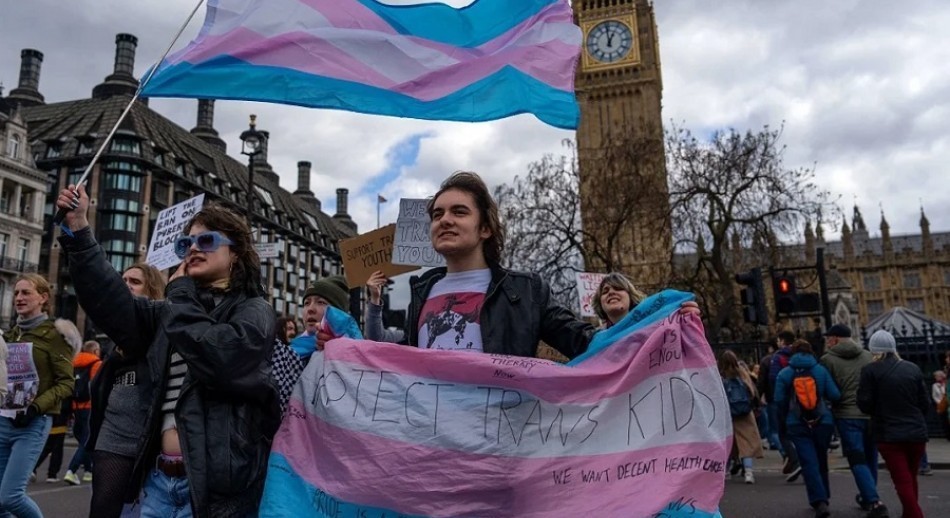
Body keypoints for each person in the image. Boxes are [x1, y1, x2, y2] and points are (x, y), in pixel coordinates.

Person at [56, 186, 281, 517]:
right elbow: (111, 301)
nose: (192, 249)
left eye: (206, 241)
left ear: (235, 253)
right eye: (185, 243)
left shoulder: (253, 309)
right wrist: (79, 230)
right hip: (160, 482)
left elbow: (220, 357)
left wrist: (178, 292)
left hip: (215, 490)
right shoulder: (171, 309)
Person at [86, 263, 165, 518]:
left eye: (135, 281)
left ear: (152, 292)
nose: (126, 286)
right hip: (112, 440)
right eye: (123, 280)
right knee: (103, 508)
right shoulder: (115, 344)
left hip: (151, 444)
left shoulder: (164, 334)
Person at [0, 274, 75, 518]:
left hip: (33, 423)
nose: (19, 298)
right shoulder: (9, 336)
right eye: (17, 293)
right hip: (4, 420)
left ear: (43, 298)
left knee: (10, 496)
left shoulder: (56, 336)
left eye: (26, 293)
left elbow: (66, 383)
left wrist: (35, 407)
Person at [858, 330, 929, 518]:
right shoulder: (912, 368)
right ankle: (909, 513)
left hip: (889, 434)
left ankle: (915, 515)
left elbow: (864, 404)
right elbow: (925, 403)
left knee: (901, 480)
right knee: (910, 477)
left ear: (873, 350)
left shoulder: (870, 370)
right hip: (916, 433)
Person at [819, 324, 889, 517]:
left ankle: (875, 501)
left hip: (847, 415)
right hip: (870, 415)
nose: (827, 342)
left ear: (834, 339)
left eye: (828, 339)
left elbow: (830, 391)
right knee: (871, 457)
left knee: (857, 459)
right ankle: (868, 497)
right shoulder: (868, 356)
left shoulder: (827, 360)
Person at [774, 339, 841, 518]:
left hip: (797, 423)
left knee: (808, 461)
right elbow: (835, 394)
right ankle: (824, 495)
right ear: (811, 352)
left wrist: (784, 421)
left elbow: (779, 401)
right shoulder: (820, 370)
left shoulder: (785, 374)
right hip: (823, 421)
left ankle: (819, 501)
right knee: (821, 459)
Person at [720, 350, 763, 484]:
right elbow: (751, 390)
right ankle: (748, 472)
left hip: (728, 413)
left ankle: (725, 472)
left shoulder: (721, 375)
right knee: (746, 443)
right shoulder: (742, 372)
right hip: (744, 412)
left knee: (727, 444)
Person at [63, 340, 102, 486]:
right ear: (95, 351)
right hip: (90, 406)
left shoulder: (75, 363)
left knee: (83, 437)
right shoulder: (96, 364)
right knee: (87, 439)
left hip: (76, 405)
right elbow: (99, 387)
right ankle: (71, 470)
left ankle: (88, 470)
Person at [290, 276, 350, 362]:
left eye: (321, 302)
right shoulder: (290, 352)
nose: (310, 309)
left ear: (338, 313)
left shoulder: (352, 355)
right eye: (307, 303)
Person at [769, 330, 802, 480]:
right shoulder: (799, 354)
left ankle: (794, 458)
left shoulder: (778, 357)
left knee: (782, 432)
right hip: (802, 397)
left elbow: (774, 379)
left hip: (784, 399)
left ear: (782, 341)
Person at [933, 370, 949, 441]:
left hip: (948, 403)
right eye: (935, 376)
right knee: (943, 420)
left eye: (937, 376)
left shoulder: (946, 383)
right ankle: (947, 435)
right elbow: (934, 396)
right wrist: (939, 402)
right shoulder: (934, 385)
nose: (936, 378)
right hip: (941, 404)